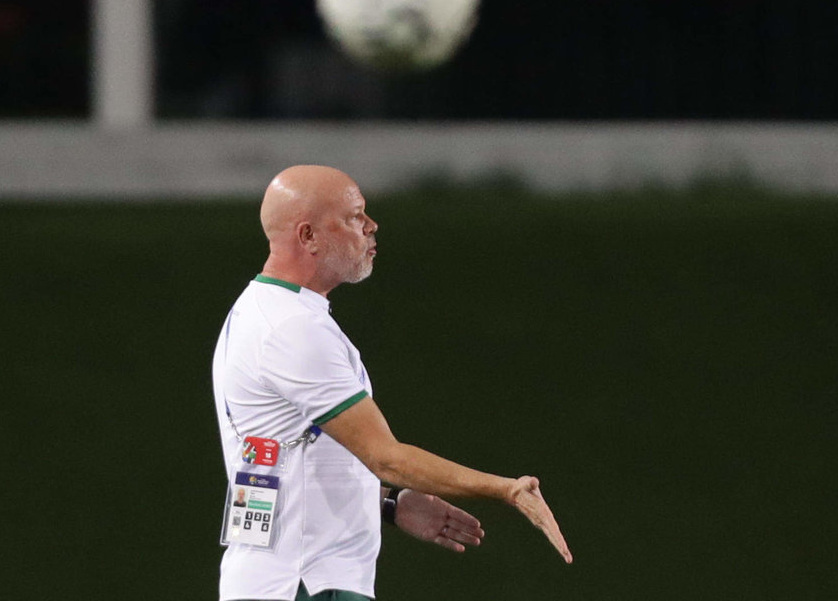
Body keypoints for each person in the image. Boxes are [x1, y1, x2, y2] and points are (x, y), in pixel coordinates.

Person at [212, 165, 571, 601]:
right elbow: (388, 459)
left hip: (281, 578)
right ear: (308, 237)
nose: (371, 226)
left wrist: (386, 504)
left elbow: (286, 454)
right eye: (354, 216)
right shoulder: (292, 330)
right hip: (305, 583)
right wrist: (507, 489)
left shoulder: (263, 311)